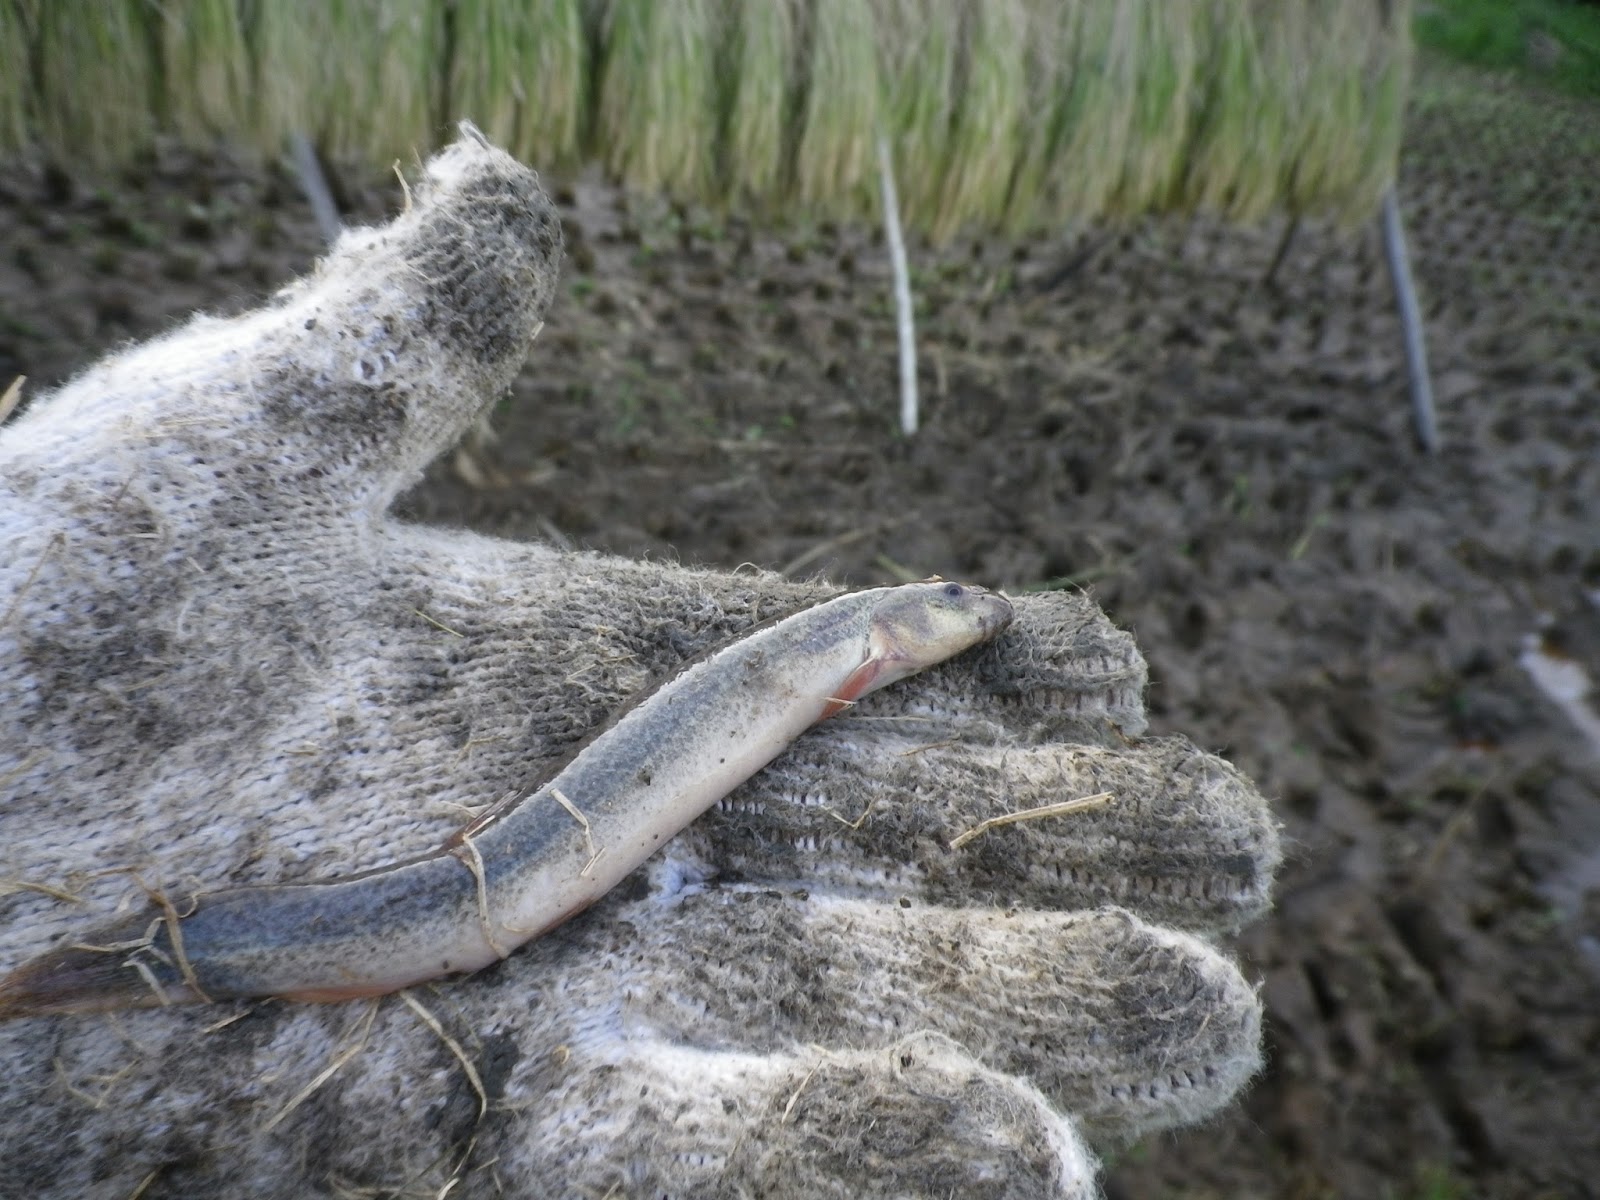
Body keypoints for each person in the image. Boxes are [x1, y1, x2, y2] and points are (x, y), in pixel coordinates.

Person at [0, 127, 1279, 1198]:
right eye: (947, 603)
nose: (967, 610)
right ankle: (158, 957)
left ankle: (151, 959)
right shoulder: (853, 638)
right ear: (887, 633)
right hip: (455, 903)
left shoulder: (863, 656)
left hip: (479, 893)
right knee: (392, 917)